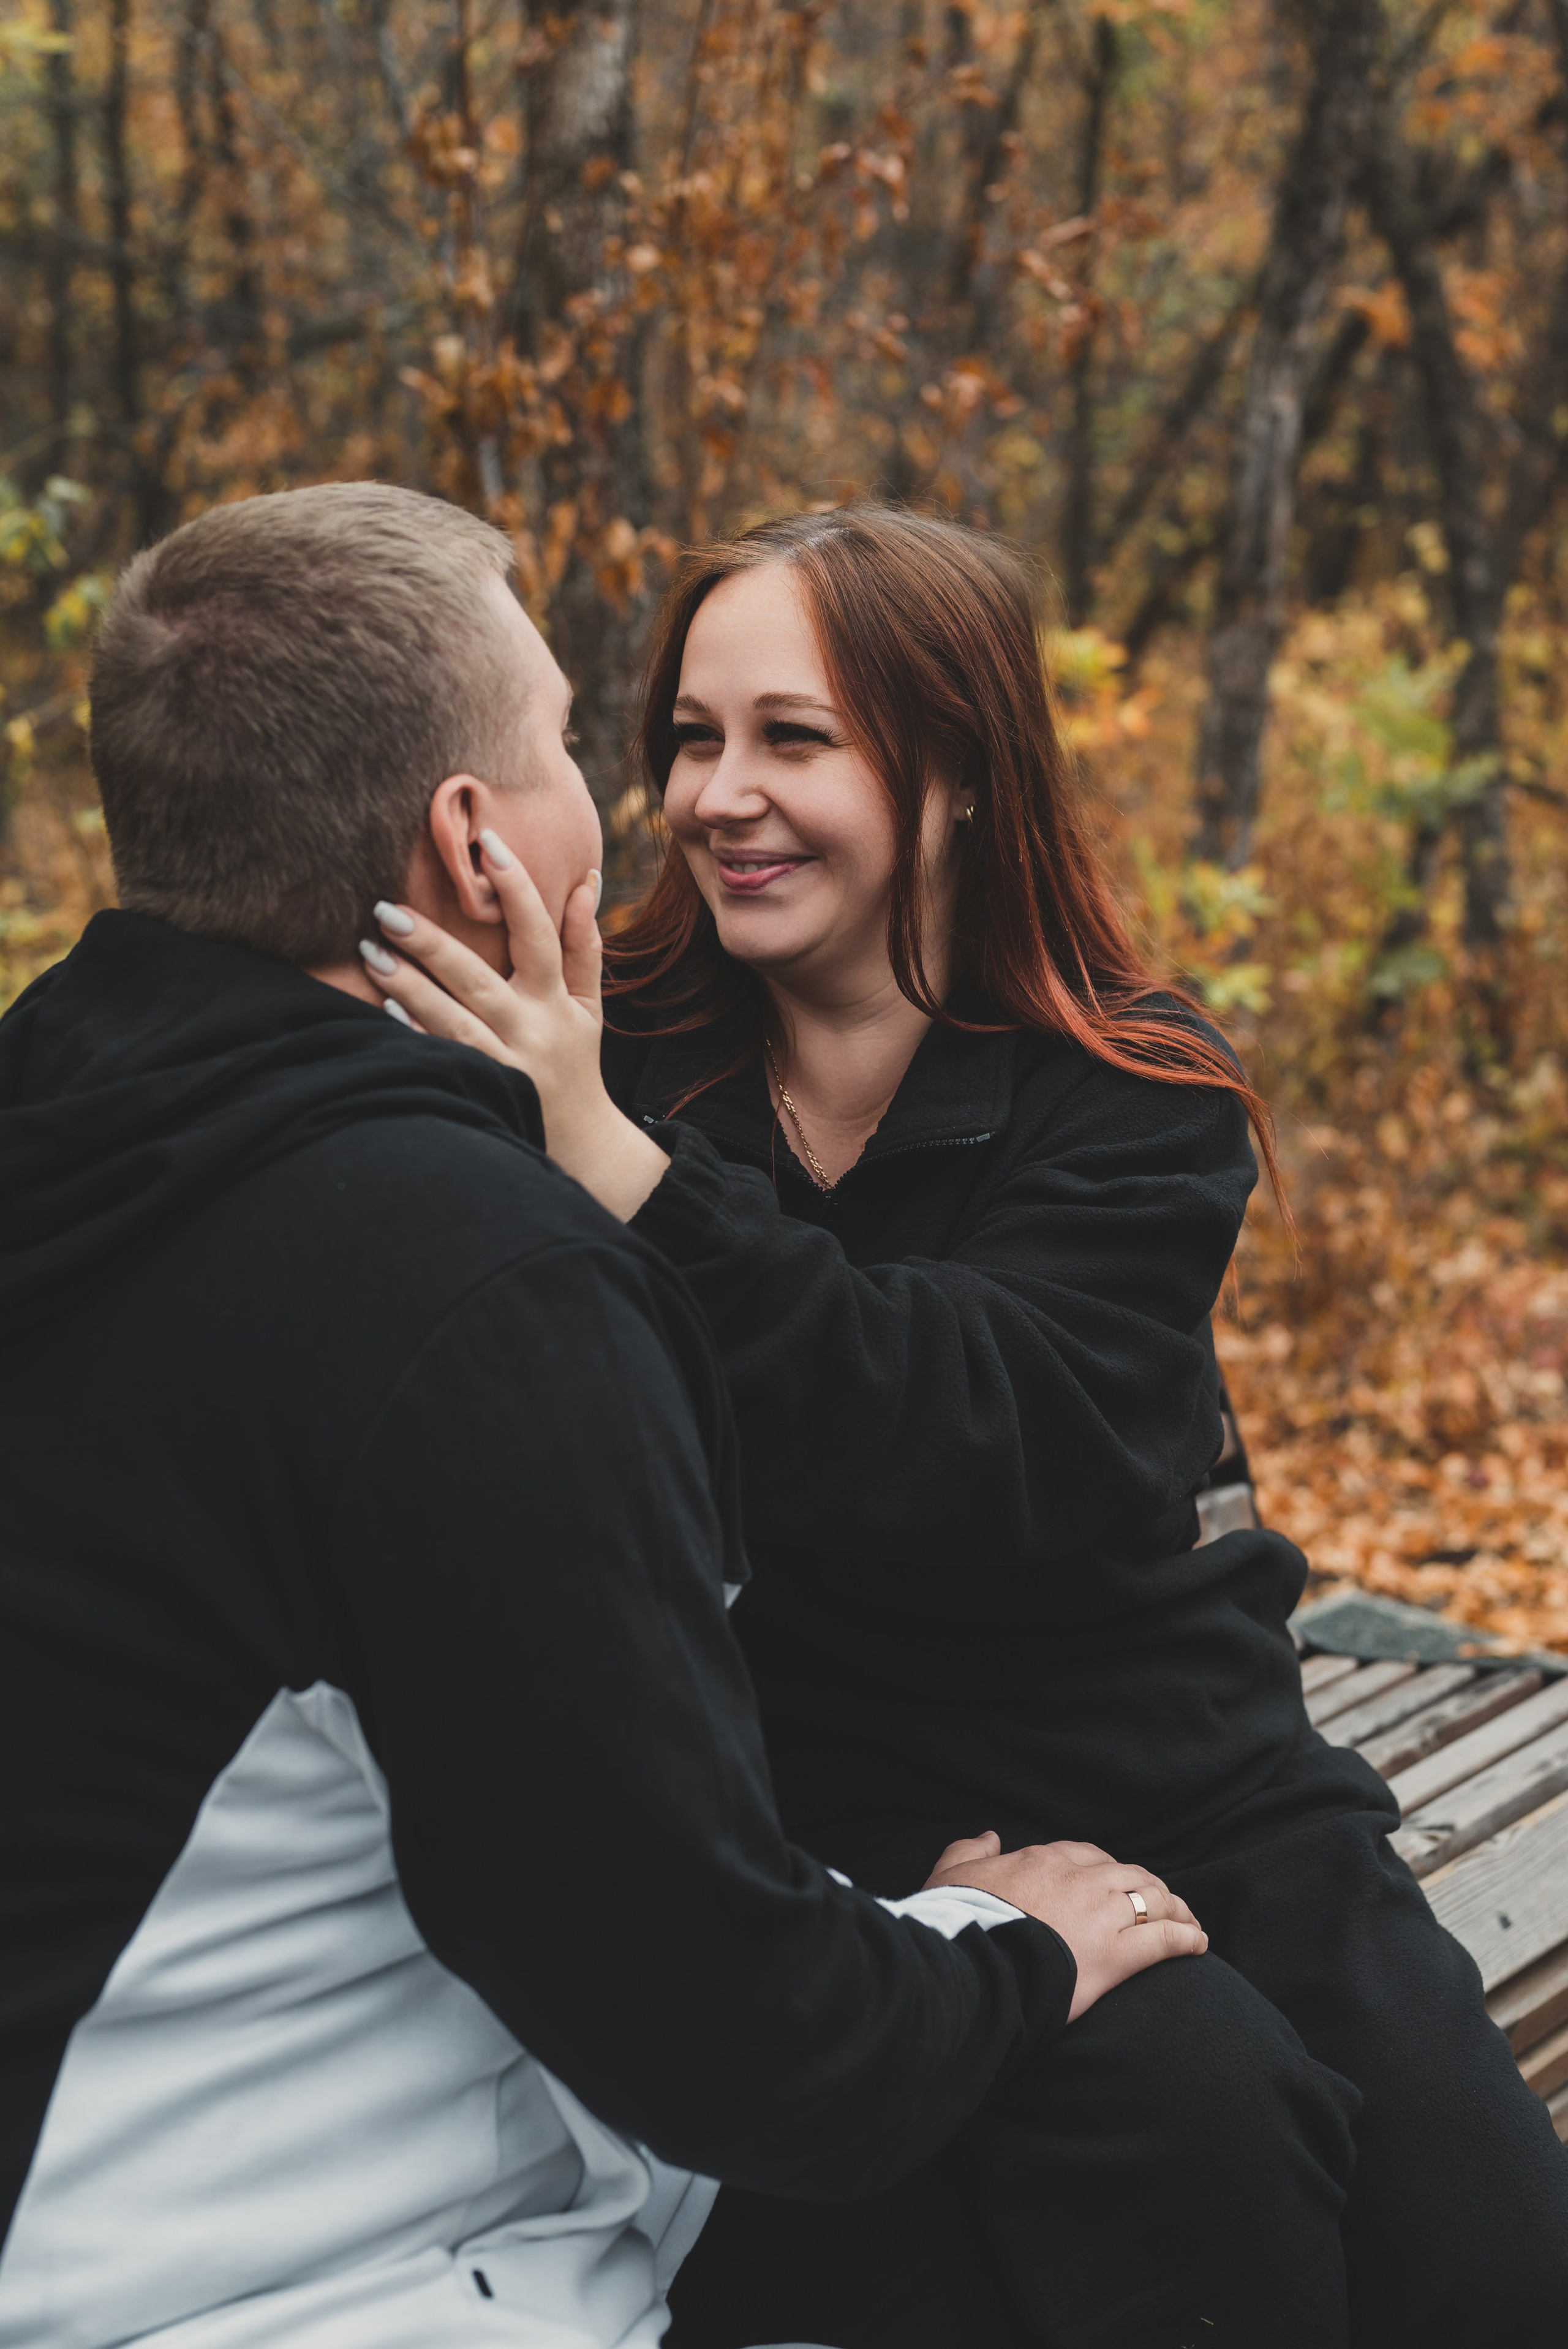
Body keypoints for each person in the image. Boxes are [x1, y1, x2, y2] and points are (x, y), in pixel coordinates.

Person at [0, 485, 1220, 2349]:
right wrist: (1012, 1947)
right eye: (588, 741)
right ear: (474, 844)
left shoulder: (79, 1121)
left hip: (149, 2158)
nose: (657, 801)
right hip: (287, 2275)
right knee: (1167, 2170)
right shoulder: (473, 1289)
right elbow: (741, 2034)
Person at [368, 503, 1568, 2347]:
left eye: (795, 739)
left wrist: (621, 1166)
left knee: (1491, 2257)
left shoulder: (1126, 1091)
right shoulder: (620, 1038)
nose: (719, 794)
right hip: (839, 1812)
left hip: (1196, 1775)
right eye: (692, 736)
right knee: (1211, 2157)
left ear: (953, 779)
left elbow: (990, 1423)